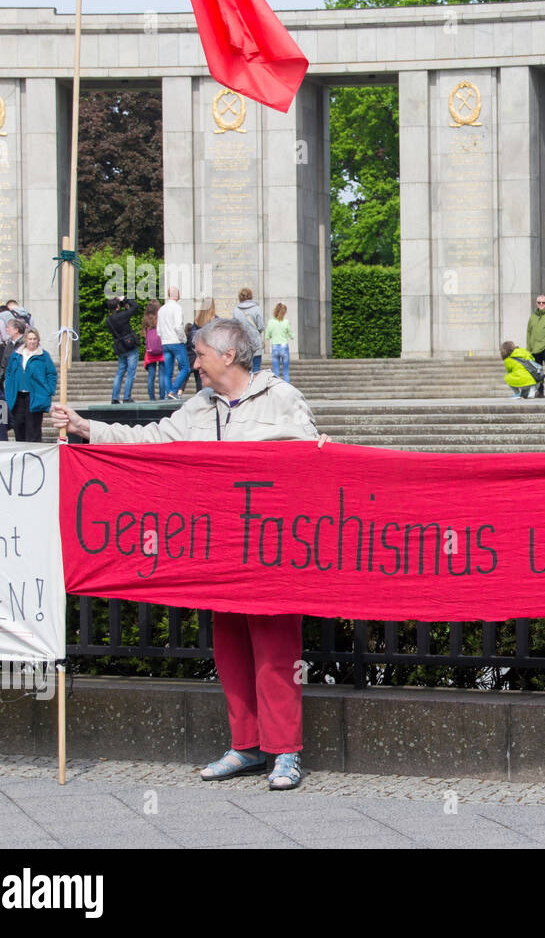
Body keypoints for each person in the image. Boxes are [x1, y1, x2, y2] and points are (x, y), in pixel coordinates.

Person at [51, 317, 319, 791]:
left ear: (228, 356)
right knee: (232, 647)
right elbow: (152, 438)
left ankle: (285, 751)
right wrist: (86, 428)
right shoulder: (200, 406)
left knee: (276, 650)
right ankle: (247, 745)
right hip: (218, 547)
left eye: (199, 355)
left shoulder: (282, 398)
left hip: (272, 551)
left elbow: (313, 460)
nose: (192, 363)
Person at [4, 327, 58, 443]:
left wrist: (49, 390)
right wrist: (8, 387)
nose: (32, 341)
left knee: (33, 428)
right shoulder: (16, 354)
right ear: (25, 340)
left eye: (34, 339)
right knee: (18, 425)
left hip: (35, 395)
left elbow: (51, 374)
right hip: (18, 396)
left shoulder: (43, 356)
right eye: (30, 339)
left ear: (38, 340)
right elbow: (9, 372)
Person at [105, 295, 140, 403]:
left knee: (120, 373)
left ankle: (115, 398)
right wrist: (125, 299)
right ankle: (126, 397)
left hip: (120, 348)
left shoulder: (108, 320)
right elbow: (135, 307)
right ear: (117, 306)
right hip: (130, 346)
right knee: (131, 373)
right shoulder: (123, 315)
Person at [159, 285, 190, 396]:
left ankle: (168, 394)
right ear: (176, 295)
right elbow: (178, 326)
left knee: (168, 372)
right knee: (185, 368)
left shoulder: (161, 309)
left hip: (165, 342)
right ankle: (173, 391)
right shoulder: (177, 308)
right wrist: (183, 339)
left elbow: (159, 330)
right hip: (176, 341)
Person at [186, 299, 218, 394]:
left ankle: (200, 396)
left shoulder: (197, 320)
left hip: (198, 353)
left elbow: (192, 337)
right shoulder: (215, 320)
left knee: (199, 379)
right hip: (210, 352)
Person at [235, 288, 265, 373]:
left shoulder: (236, 310)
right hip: (255, 343)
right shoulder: (256, 308)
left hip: (242, 344)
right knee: (256, 369)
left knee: (244, 370)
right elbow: (261, 326)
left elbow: (235, 327)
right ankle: (255, 386)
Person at [265, 302, 294, 383]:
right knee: (286, 372)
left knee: (276, 372)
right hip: (284, 346)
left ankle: (277, 389)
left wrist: (270, 336)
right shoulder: (286, 322)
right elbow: (291, 335)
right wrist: (291, 336)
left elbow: (267, 335)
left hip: (275, 347)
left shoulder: (271, 322)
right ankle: (287, 389)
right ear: (284, 312)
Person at [143, 301, 167, 401]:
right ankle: (162, 397)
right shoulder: (160, 317)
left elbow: (144, 333)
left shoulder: (145, 319)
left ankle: (152, 398)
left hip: (150, 350)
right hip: (161, 348)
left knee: (151, 376)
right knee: (162, 374)